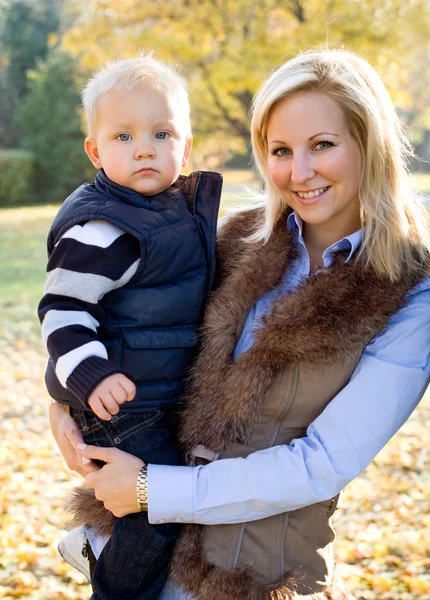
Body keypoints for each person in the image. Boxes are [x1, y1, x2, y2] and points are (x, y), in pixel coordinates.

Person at [49, 48, 430, 600]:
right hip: (141, 561)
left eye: (322, 145)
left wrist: (152, 488)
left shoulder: (411, 292)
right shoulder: (233, 241)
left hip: (257, 578)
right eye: (280, 150)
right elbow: (117, 319)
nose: (299, 173)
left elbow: (322, 465)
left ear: (369, 145)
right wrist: (63, 400)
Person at [38, 54, 222, 600]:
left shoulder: (174, 213)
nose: (144, 147)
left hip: (155, 393)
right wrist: (90, 377)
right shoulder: (102, 227)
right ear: (95, 151)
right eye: (123, 135)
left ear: (185, 149)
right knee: (155, 506)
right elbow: (62, 311)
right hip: (118, 403)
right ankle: (113, 587)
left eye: (161, 133)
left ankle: (99, 543)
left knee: (169, 502)